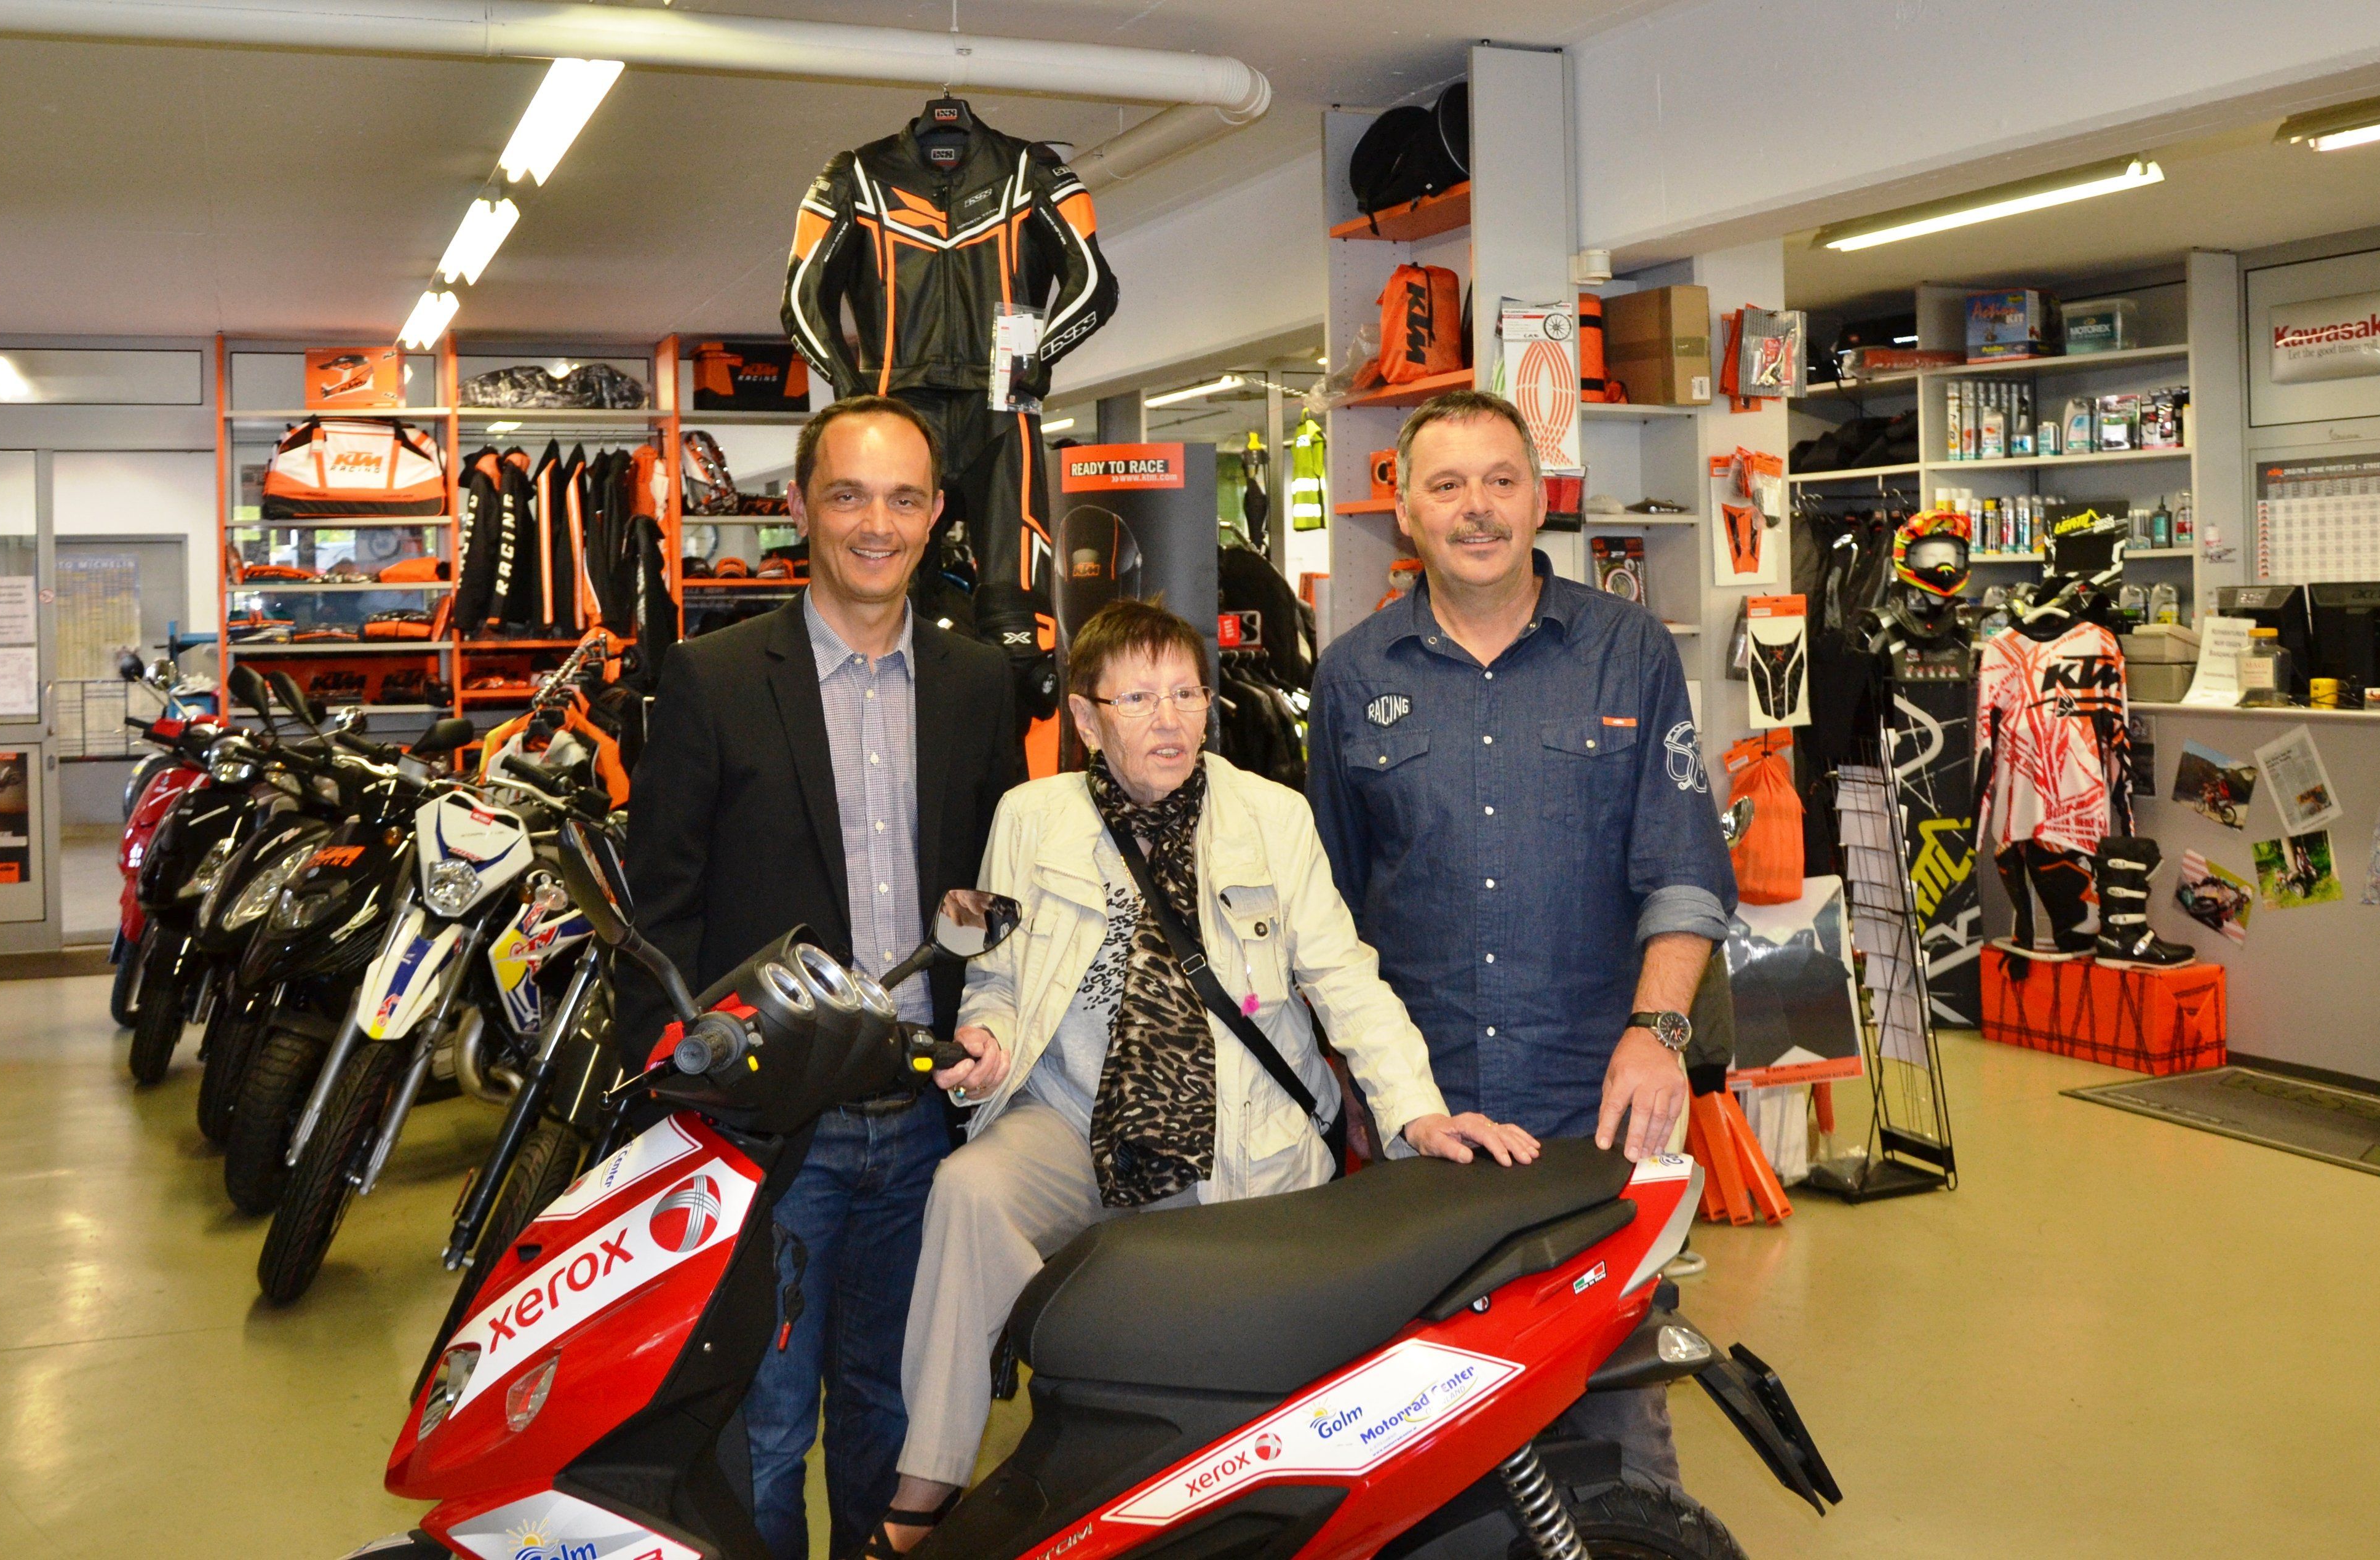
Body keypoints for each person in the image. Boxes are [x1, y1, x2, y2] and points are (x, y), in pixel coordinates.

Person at [871, 597, 1540, 1558]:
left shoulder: (1271, 816)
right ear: (1085, 716)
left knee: (1215, 1358)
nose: (1170, 720)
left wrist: (1416, 1114)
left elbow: (1343, 978)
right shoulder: (1030, 817)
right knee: (968, 1191)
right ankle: (926, 1493)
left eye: (1186, 694)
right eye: (1139, 698)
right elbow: (998, 978)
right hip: (1073, 1113)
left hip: (1237, 1130)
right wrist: (987, 1040)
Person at [1307, 388, 1738, 1492]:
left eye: (1501, 481)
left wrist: (1657, 1031)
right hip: (1426, 1110)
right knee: (1421, 1418)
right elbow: (1327, 912)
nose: (1478, 508)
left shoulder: (1628, 650)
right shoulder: (1352, 675)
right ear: (1404, 512)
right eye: (1447, 485)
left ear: (1541, 499)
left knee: (1616, 1418)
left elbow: (1684, 867)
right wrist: (1352, 1075)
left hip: (1593, 1101)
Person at [620, 394, 1029, 1560]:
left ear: (936, 515)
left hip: (926, 1120)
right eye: (847, 495)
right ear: (800, 507)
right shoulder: (710, 677)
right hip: (771, 1127)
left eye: (903, 499)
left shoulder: (976, 682)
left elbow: (1000, 894)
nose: (875, 525)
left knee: (894, 1417)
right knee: (762, 1425)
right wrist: (678, 1093)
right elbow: (661, 912)